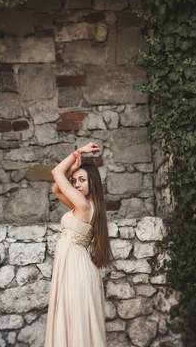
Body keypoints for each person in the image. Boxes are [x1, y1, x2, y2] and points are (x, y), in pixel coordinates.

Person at [44, 142, 114, 347]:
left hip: (76, 269)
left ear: (93, 182)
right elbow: (56, 189)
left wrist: (79, 153)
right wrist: (73, 170)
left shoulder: (83, 205)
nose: (77, 184)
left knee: (76, 319)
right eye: (75, 181)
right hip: (74, 267)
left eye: (82, 180)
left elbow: (56, 172)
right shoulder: (84, 205)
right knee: (74, 319)